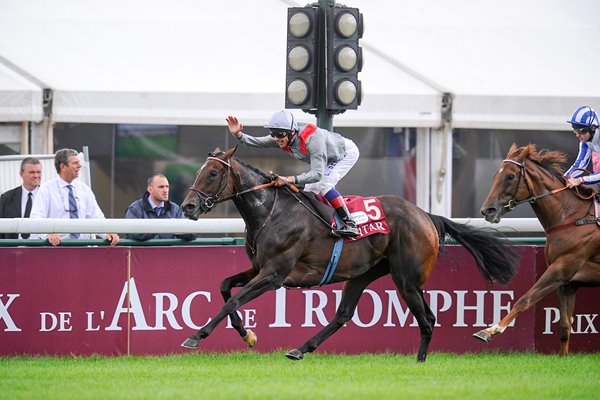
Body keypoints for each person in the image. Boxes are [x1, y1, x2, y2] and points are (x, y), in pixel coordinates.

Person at [226, 110, 360, 237]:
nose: (276, 138)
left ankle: (350, 223)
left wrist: (288, 179)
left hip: (345, 154)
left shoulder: (312, 140)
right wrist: (238, 135)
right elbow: (257, 142)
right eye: (273, 134)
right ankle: (326, 223)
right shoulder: (283, 136)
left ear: (292, 132)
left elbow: (317, 174)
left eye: (279, 134)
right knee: (311, 188)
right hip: (327, 157)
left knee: (323, 184)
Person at [29, 148, 119, 246]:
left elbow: (96, 217)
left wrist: (107, 233)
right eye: (75, 163)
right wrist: (48, 233)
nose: (79, 166)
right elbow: (36, 218)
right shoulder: (46, 190)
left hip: (83, 249)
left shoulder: (84, 189)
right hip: (57, 250)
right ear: (63, 166)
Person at [125, 173, 195, 241]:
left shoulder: (175, 209)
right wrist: (159, 227)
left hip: (167, 252)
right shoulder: (135, 209)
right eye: (161, 187)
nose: (165, 190)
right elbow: (132, 234)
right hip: (143, 252)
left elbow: (190, 233)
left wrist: (178, 230)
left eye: (167, 187)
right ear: (150, 189)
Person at [0, 157, 42, 239]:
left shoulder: (48, 196)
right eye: (32, 172)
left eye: (38, 172)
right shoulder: (6, 198)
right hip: (14, 248)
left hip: (41, 247)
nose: (36, 176)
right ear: (21, 174)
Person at [564, 106, 600, 188]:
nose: (577, 135)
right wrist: (564, 179)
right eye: (575, 131)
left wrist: (580, 180)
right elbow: (580, 163)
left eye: (580, 131)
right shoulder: (585, 141)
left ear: (592, 128)